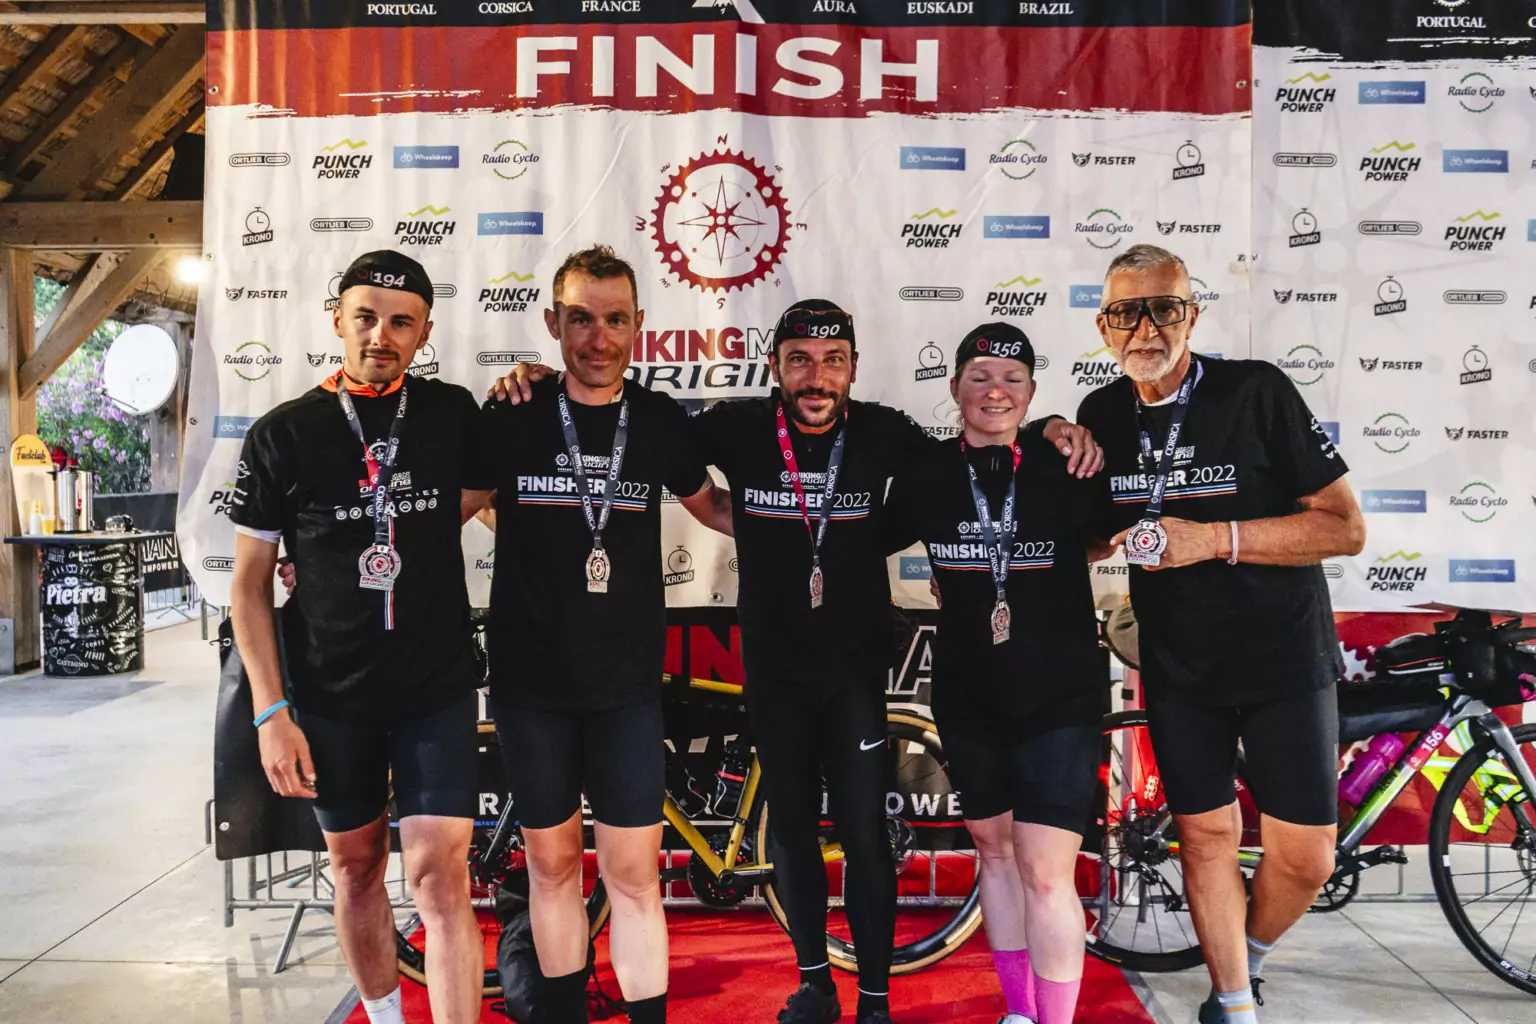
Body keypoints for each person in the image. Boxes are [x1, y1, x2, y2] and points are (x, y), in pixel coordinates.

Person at [494, 299, 1102, 1024]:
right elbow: (635, 422)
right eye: (800, 361)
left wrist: (1050, 426)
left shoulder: (886, 433)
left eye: (833, 361)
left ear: (854, 368)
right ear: (775, 366)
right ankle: (815, 983)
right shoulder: (736, 426)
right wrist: (539, 381)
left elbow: (985, 443)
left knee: (864, 834)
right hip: (774, 667)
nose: (817, 377)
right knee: (789, 832)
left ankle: (874, 1000)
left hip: (854, 671)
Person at [1074, 244, 1366, 1024]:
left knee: (1306, 859)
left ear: (1192, 315)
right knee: (1205, 839)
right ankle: (1233, 1003)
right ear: (1103, 327)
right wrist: (1049, 443)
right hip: (1180, 668)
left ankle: (1250, 954)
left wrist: (1213, 539)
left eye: (1164, 307)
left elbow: (1344, 527)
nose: (1147, 327)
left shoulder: (1255, 391)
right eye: (1127, 312)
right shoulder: (1102, 414)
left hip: (1283, 658)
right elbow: (1095, 535)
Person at [229, 250, 492, 1024]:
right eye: (366, 317)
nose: (382, 334)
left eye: (401, 322)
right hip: (330, 694)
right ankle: (383, 1017)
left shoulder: (452, 413)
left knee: (440, 874)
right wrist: (270, 713)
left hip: (435, 686)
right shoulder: (283, 434)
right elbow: (248, 585)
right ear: (337, 319)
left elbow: (482, 493)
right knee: (355, 868)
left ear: (424, 332)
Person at [478, 245, 731, 1024]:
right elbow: (443, 510)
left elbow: (718, 511)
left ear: (639, 325)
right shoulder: (514, 412)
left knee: (635, 877)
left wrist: (824, 535)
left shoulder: (657, 420)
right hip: (530, 687)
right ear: (552, 322)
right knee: (553, 868)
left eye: (615, 319)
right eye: (581, 319)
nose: (598, 337)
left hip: (625, 689)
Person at [883, 323, 1114, 1024]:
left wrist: (1059, 433)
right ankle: (1019, 1011)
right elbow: (861, 535)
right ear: (954, 387)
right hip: (969, 694)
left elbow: (1107, 538)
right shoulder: (926, 473)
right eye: (979, 376)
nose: (995, 391)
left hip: (1060, 695)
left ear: (1032, 393)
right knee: (995, 854)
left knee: (1045, 869)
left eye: (1012, 379)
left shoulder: (1065, 463)